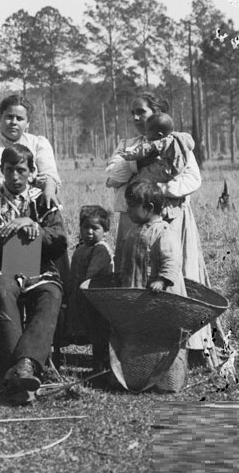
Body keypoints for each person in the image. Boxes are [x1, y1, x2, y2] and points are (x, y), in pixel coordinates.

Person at [105, 92, 212, 353]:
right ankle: (138, 347)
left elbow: (191, 179)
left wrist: (158, 189)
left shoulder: (177, 143)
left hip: (171, 218)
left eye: (141, 111)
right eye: (133, 113)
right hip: (134, 220)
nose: (136, 117)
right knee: (135, 275)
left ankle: (186, 346)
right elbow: (111, 176)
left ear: (158, 114)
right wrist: (138, 160)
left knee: (175, 273)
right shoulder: (127, 145)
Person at [0, 144, 67, 405]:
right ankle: (26, 366)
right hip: (0, 269)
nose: (15, 176)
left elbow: (60, 241)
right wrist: (4, 240)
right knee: (1, 289)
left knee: (50, 293)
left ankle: (21, 367)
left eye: (21, 170)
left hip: (39, 270)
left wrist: (34, 226)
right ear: (1, 170)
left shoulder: (42, 201)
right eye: (9, 170)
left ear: (32, 172)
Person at [116, 180, 187, 391]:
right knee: (140, 331)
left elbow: (171, 259)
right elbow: (127, 258)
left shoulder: (163, 232)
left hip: (161, 294)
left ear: (148, 208)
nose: (127, 209)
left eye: (131, 205)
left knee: (163, 332)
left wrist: (162, 279)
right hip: (139, 292)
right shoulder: (135, 231)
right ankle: (137, 373)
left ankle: (167, 378)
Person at [0, 94, 60, 208]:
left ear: (28, 123)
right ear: (0, 118)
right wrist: (32, 180)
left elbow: (51, 177)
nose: (14, 122)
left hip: (33, 205)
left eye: (20, 118)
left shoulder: (39, 144)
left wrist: (49, 189)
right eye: (9, 117)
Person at [64, 205, 114, 374]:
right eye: (85, 227)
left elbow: (93, 275)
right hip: (81, 297)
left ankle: (102, 365)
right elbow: (73, 273)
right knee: (89, 330)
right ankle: (98, 364)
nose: (89, 232)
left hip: (96, 298)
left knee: (99, 332)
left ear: (105, 231)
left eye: (95, 228)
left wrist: (81, 289)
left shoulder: (101, 249)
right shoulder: (81, 248)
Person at [120, 112, 189, 183]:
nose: (146, 135)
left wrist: (128, 156)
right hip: (175, 170)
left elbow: (142, 149)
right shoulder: (178, 140)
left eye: (148, 132)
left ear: (159, 135)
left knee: (136, 180)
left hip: (160, 170)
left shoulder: (156, 143)